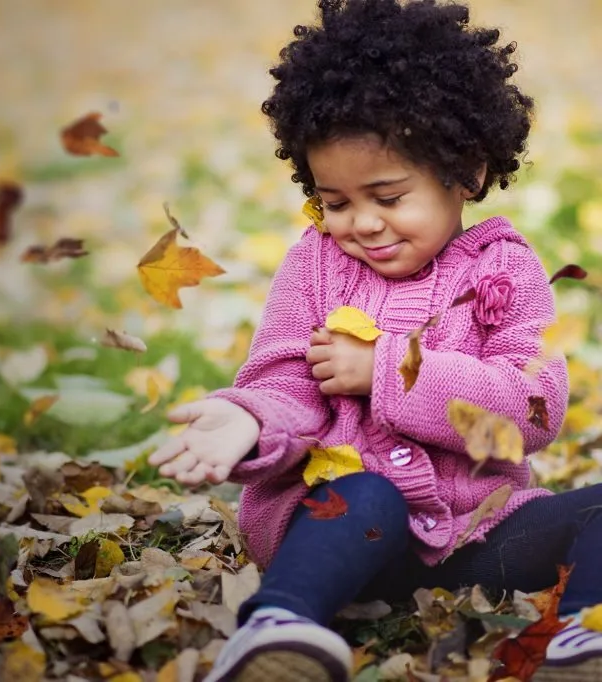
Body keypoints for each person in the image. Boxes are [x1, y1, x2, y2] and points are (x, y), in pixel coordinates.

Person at [147, 1, 602, 680]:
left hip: (471, 539)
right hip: (339, 533)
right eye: (334, 202)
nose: (360, 223)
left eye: (388, 197)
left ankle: (584, 636)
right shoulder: (316, 266)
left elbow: (532, 412)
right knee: (369, 495)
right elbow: (284, 379)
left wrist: (390, 372)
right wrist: (247, 416)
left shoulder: (505, 269)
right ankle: (283, 630)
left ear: (467, 172)